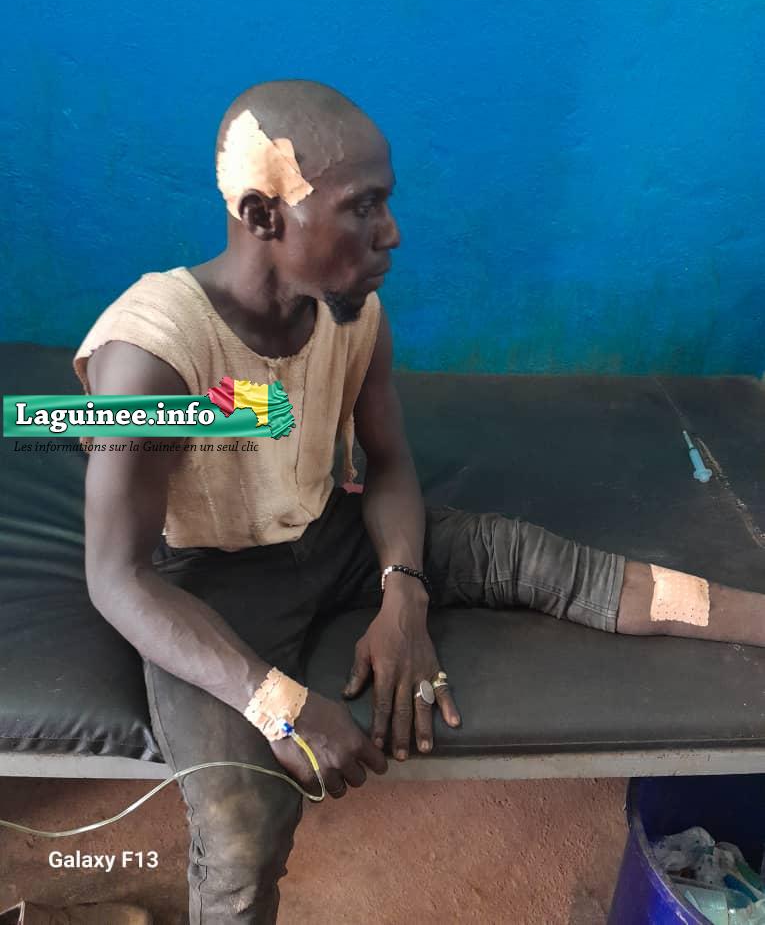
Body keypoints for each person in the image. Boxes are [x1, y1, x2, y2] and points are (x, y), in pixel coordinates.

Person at [73, 80, 765, 924]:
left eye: (386, 203)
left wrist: (403, 594)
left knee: (534, 559)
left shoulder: (352, 314)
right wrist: (279, 706)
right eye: (362, 207)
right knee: (241, 829)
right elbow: (117, 578)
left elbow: (390, 463)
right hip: (207, 580)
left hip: (328, 533)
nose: (392, 232)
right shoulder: (147, 356)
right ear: (262, 216)